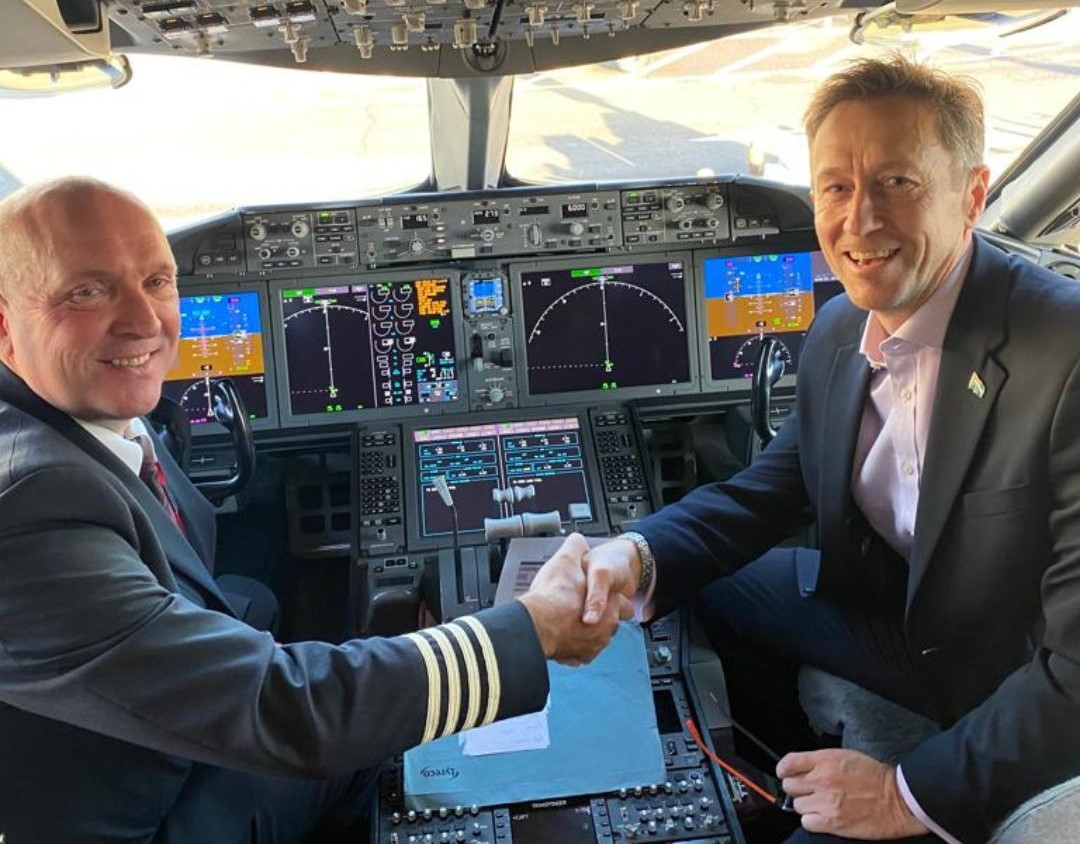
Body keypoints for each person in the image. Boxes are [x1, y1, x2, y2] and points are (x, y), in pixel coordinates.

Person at [0, 177, 630, 842]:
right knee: (365, 748)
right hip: (133, 817)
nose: (145, 321)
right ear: (6, 323)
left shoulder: (80, 406)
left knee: (262, 607)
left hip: (119, 731)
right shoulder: (28, 507)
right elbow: (287, 708)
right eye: (87, 291)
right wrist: (530, 632)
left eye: (156, 280)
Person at [581, 55, 1080, 843]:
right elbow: (766, 492)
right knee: (703, 583)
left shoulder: (1066, 353)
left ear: (973, 194)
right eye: (837, 188)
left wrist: (900, 795)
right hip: (915, 630)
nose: (860, 220)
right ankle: (777, 768)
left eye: (897, 183)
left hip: (1024, 692)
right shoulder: (841, 329)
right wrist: (635, 557)